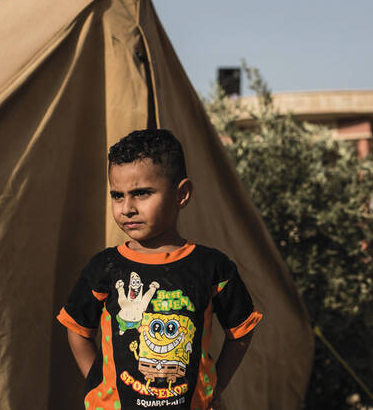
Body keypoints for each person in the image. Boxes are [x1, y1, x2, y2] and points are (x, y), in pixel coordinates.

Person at [57, 129, 263, 410]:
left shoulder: (212, 268)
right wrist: (99, 383)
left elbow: (241, 331)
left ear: (182, 194)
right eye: (117, 196)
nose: (127, 208)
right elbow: (77, 329)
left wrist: (214, 387)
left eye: (141, 193)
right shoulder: (104, 268)